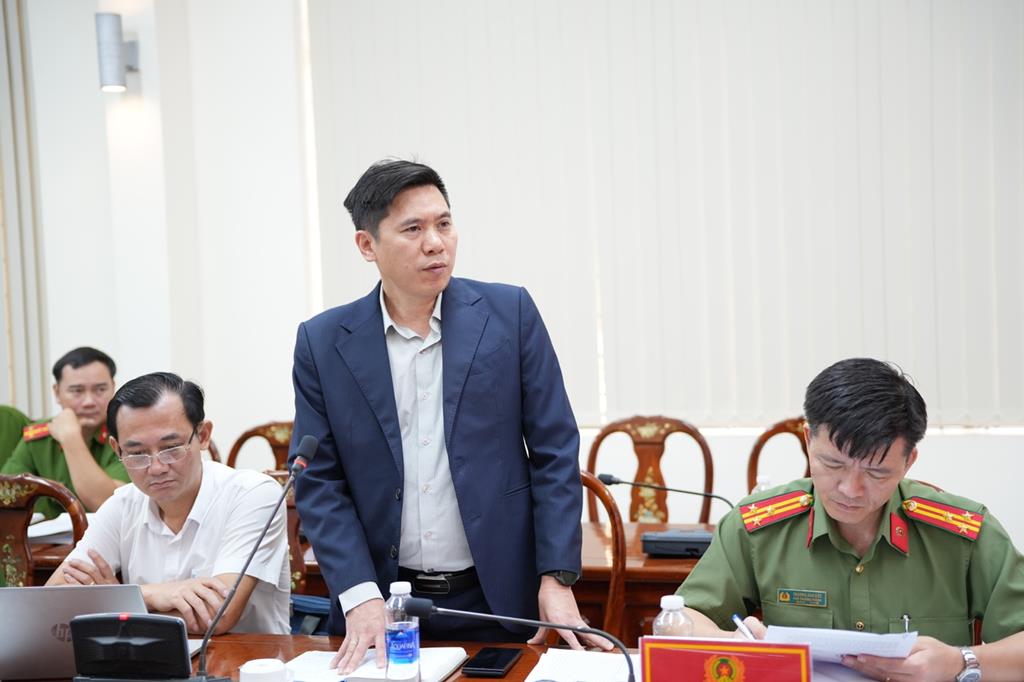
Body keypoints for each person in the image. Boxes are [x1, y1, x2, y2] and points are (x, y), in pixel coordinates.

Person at [292, 159, 605, 674]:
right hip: (379, 606)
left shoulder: (509, 314)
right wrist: (358, 592)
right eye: (413, 229)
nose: (435, 243)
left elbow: (554, 450)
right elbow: (319, 479)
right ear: (367, 245)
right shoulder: (323, 343)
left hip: (497, 600)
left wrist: (556, 576)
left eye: (444, 223)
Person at [678, 358, 1024, 681]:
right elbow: (681, 618)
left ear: (909, 462)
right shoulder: (757, 528)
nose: (850, 489)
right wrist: (732, 643)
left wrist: (961, 661)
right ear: (808, 440)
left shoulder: (963, 535)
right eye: (833, 464)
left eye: (876, 472)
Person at [45, 372, 290, 635]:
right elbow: (52, 600)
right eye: (137, 454)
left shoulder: (253, 494)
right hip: (144, 655)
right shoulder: (122, 505)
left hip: (247, 656)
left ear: (203, 435)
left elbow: (216, 616)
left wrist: (120, 599)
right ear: (117, 449)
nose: (156, 468)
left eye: (171, 448)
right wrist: (157, 594)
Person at [2, 347, 129, 518]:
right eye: (77, 391)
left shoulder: (125, 435)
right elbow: (6, 495)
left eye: (100, 390)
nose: (89, 402)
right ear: (57, 392)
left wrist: (71, 438)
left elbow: (107, 505)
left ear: (113, 388)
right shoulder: (39, 436)